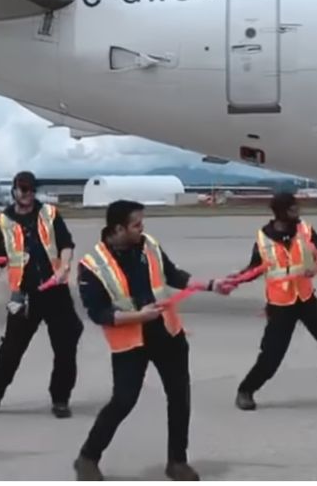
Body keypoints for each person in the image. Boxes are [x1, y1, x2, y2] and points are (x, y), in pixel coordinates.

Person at [73, 200, 235, 481]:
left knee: (179, 397)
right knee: (123, 400)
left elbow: (173, 275)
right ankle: (88, 456)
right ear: (118, 228)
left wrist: (211, 285)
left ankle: (177, 461)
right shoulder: (92, 266)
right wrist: (138, 317)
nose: (142, 228)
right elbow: (99, 313)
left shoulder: (148, 245)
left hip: (167, 334)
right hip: (130, 342)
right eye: (136, 224)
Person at [0, 171, 83, 419]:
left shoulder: (49, 214)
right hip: (24, 296)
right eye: (21, 189)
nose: (26, 193)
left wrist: (63, 267)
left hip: (55, 292)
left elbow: (66, 245)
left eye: (30, 189)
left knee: (65, 348)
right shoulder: (3, 221)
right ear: (14, 191)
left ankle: (60, 399)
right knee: (9, 351)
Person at [233, 193, 317, 411]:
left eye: (296, 208)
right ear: (280, 212)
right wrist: (234, 280)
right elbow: (254, 269)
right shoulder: (264, 238)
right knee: (272, 355)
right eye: (292, 209)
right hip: (280, 305)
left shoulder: (304, 230)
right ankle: (246, 390)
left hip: (306, 298)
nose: (297, 213)